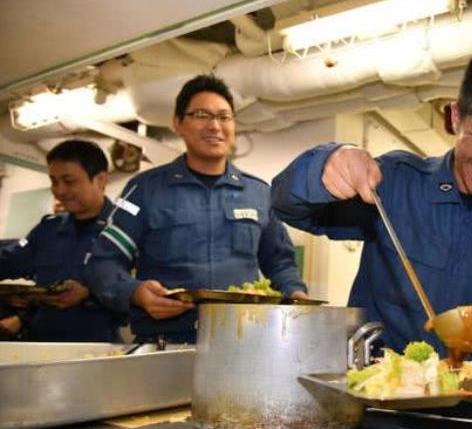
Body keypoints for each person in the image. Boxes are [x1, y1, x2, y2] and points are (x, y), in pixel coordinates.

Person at [272, 41, 472, 378]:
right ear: (456, 117)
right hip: (378, 403)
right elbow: (289, 207)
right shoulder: (396, 184)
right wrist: (325, 164)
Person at [84, 74, 307, 343]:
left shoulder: (258, 193)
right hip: (164, 343)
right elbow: (104, 262)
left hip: (242, 342)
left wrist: (295, 293)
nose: (215, 126)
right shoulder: (145, 190)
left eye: (224, 117)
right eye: (202, 115)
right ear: (178, 124)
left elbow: (280, 262)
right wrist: (134, 292)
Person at [0, 140, 122, 342]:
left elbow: (140, 291)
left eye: (69, 181)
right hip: (38, 345)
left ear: (100, 179)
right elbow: (11, 260)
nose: (59, 191)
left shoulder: (125, 231)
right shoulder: (48, 229)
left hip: (94, 350)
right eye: (54, 181)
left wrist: (89, 295)